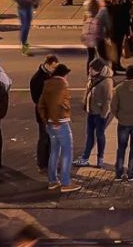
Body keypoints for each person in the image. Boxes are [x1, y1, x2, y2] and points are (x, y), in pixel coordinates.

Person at [38, 62, 75, 192]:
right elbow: (57, 102)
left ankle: (53, 181)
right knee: (67, 152)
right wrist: (56, 120)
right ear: (63, 75)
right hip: (60, 122)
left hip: (50, 124)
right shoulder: (61, 84)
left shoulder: (47, 84)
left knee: (54, 151)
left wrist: (47, 120)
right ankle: (66, 183)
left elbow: (41, 105)